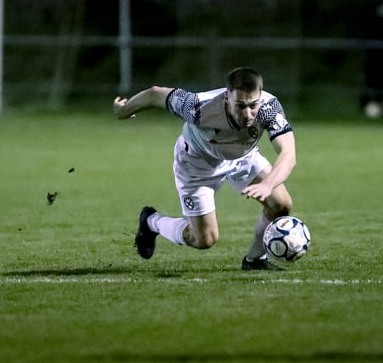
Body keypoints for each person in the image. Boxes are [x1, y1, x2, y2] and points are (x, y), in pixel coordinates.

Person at [113, 67, 296, 270]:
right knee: (204, 240)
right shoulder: (198, 107)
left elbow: (288, 153)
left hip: (241, 158)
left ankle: (254, 260)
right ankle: (152, 221)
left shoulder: (269, 108)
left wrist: (269, 184)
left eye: (253, 105)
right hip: (197, 164)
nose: (248, 114)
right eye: (240, 106)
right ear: (227, 97)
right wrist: (125, 110)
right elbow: (156, 94)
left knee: (281, 204)